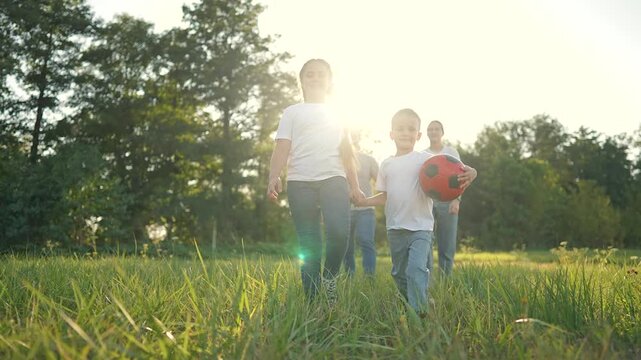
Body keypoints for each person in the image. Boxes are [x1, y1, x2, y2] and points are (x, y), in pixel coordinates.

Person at [357, 109, 476, 313]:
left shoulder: (426, 160)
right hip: (395, 228)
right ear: (391, 134)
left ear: (419, 135)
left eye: (411, 129)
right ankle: (411, 300)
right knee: (399, 274)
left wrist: (472, 172)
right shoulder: (386, 165)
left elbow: (458, 170)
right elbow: (385, 196)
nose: (405, 133)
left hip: (421, 227)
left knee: (416, 269)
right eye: (400, 129)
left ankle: (419, 312)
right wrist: (364, 201)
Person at [267, 59, 365, 305]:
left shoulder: (338, 113)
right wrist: (273, 176)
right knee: (309, 243)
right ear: (302, 80)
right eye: (310, 74)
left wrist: (354, 185)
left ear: (329, 80)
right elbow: (282, 147)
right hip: (300, 182)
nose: (315, 78)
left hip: (334, 178)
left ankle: (329, 277)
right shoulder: (292, 112)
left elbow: (347, 152)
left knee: (339, 232)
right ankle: (313, 302)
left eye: (321, 74)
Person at [425, 120, 463, 276]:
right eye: (430, 129)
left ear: (442, 132)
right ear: (427, 133)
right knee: (426, 241)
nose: (433, 132)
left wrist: (457, 199)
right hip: (427, 203)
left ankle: (446, 281)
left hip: (448, 202)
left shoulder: (451, 152)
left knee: (447, 244)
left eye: (436, 129)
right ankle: (427, 280)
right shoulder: (423, 154)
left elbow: (461, 176)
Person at [343, 131, 379, 276]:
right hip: (344, 209)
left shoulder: (369, 160)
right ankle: (348, 277)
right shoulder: (340, 160)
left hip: (366, 209)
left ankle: (369, 277)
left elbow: (382, 183)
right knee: (346, 245)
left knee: (366, 241)